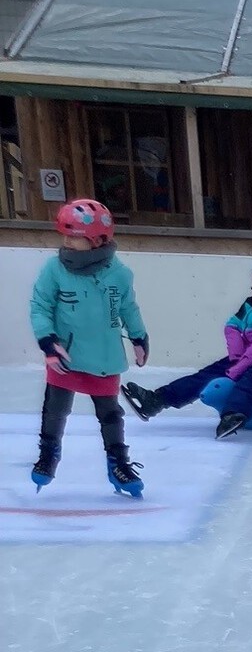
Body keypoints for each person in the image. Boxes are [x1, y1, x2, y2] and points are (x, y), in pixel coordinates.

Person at [28, 197, 149, 497]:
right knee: (55, 409)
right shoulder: (54, 269)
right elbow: (40, 306)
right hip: (64, 354)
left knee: (110, 414)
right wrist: (47, 340)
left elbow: (128, 308)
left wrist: (138, 336)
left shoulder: (119, 274)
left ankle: (118, 462)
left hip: (104, 355)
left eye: (74, 236)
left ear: (97, 241)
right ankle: (48, 454)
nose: (66, 241)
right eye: (65, 235)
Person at [124, 259, 252, 439]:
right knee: (205, 375)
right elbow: (233, 325)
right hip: (245, 355)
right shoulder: (250, 303)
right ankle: (156, 401)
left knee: (248, 380)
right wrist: (236, 354)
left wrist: (241, 364)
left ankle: (233, 415)